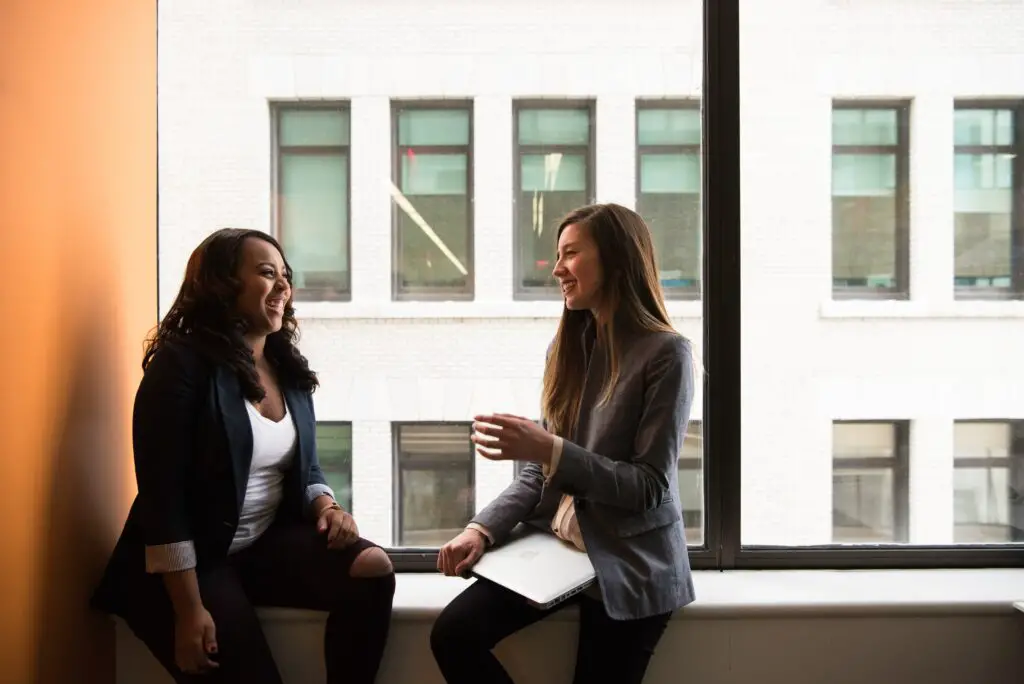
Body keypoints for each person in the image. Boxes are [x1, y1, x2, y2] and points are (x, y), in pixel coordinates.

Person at [91, 228, 395, 684]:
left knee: (373, 568)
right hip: (191, 565)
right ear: (221, 284)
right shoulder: (180, 365)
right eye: (266, 273)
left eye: (286, 276)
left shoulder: (286, 367)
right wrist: (189, 611)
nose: (283, 287)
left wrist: (327, 506)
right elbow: (163, 499)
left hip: (257, 546)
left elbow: (305, 466)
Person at [430, 203, 696, 684]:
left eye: (570, 254)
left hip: (629, 561)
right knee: (452, 634)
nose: (556, 269)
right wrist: (481, 530)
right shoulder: (567, 348)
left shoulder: (666, 353)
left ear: (616, 259)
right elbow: (540, 472)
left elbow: (649, 487)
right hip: (559, 548)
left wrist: (548, 450)